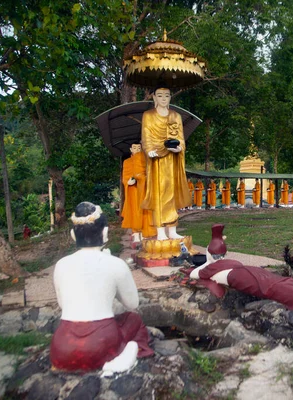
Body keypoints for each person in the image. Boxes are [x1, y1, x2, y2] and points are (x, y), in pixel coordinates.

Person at [50, 202, 153, 373]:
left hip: (62, 347)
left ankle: (76, 364)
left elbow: (62, 305)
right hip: (101, 342)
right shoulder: (115, 264)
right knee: (133, 319)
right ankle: (123, 356)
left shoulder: (61, 265)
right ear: (105, 232)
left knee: (121, 321)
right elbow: (132, 303)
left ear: (73, 235)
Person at [188, 224, 293, 317]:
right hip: (251, 271)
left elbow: (193, 273)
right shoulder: (232, 261)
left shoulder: (210, 268)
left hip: (241, 277)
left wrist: (207, 261)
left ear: (209, 254)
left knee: (274, 288)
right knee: (280, 281)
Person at [141, 87, 192, 241]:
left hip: (171, 160)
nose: (164, 98)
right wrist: (149, 149)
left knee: (171, 194)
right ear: (154, 97)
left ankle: (172, 229)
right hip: (156, 159)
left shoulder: (175, 116)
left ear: (170, 98)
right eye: (160, 95)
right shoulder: (148, 115)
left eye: (167, 96)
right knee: (158, 194)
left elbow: (181, 138)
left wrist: (179, 148)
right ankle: (160, 230)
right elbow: (146, 135)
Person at [121, 143, 155, 242]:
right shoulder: (127, 162)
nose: (137, 149)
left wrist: (141, 178)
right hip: (133, 190)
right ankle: (135, 233)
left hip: (143, 188)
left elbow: (148, 173)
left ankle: (145, 232)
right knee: (134, 210)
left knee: (144, 210)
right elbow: (125, 176)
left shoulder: (144, 160)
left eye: (139, 148)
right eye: (135, 148)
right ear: (131, 149)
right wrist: (128, 181)